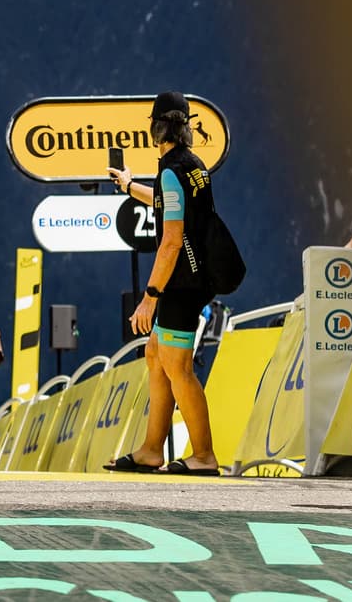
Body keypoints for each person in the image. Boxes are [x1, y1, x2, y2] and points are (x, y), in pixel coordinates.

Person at [106, 91, 221, 474]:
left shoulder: (172, 170)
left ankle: (204, 455)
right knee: (156, 355)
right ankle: (152, 449)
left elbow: (171, 241)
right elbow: (165, 198)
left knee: (178, 366)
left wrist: (150, 297)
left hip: (180, 283)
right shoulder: (192, 166)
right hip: (194, 277)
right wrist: (128, 185)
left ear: (155, 128)